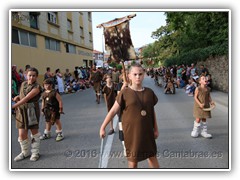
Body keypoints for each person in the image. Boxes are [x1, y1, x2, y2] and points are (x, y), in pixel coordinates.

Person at [99, 64, 159, 168]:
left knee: (152, 157)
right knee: (133, 161)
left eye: (140, 74)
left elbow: (152, 112)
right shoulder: (124, 93)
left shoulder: (149, 92)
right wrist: (102, 127)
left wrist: (156, 129)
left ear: (144, 75)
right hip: (132, 133)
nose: (138, 76)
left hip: (147, 132)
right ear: (129, 76)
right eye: (135, 74)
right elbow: (113, 111)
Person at [12, 67, 42, 162]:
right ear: (26, 75)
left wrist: (12, 106)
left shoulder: (37, 87)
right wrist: (17, 97)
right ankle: (25, 152)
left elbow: (26, 99)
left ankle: (35, 152)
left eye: (34, 76)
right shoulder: (23, 84)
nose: (31, 77)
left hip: (31, 110)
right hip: (21, 111)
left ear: (36, 76)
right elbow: (22, 97)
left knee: (34, 133)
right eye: (30, 75)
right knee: (21, 134)